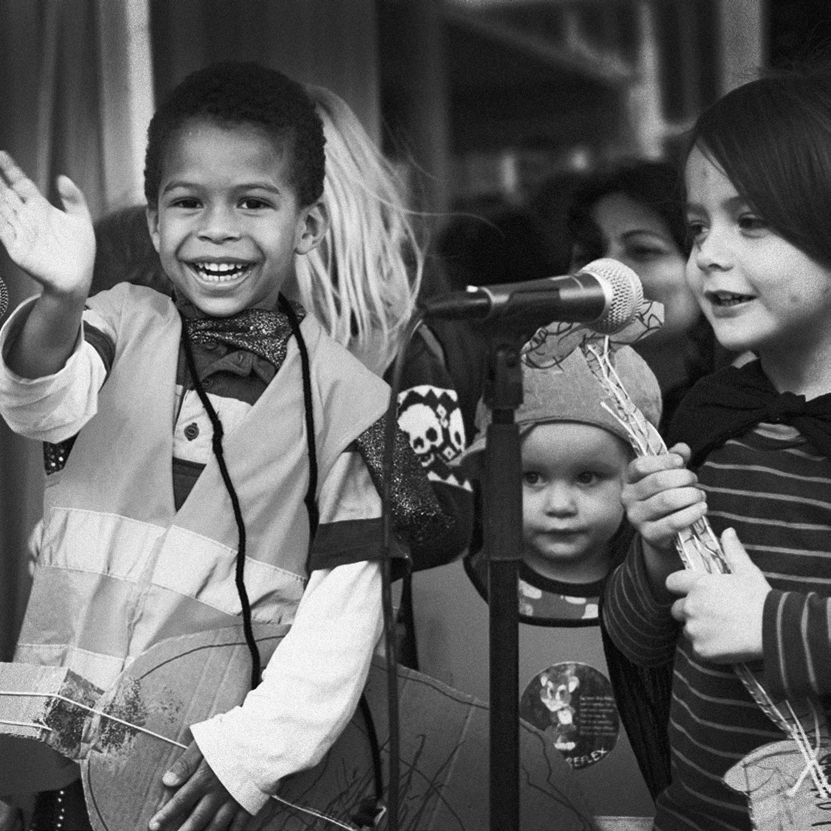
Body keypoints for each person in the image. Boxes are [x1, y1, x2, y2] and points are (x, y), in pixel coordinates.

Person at [0, 62, 449, 830]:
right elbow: (40, 399)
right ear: (152, 223)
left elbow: (344, 618)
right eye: (188, 201)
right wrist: (62, 299)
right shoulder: (115, 318)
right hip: (54, 750)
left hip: (205, 772)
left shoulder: (355, 405)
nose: (216, 227)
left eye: (252, 201)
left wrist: (251, 753)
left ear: (306, 225)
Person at [602, 65, 831, 830]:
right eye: (698, 226)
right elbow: (638, 642)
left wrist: (771, 624)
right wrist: (659, 552)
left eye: (751, 221)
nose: (707, 254)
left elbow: (751, 623)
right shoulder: (708, 415)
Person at [411, 338, 665, 818]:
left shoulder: (671, 608)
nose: (560, 505)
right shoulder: (424, 602)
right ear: (487, 476)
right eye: (531, 478)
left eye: (588, 477)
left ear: (638, 475)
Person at [567, 159, 720, 429]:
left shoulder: (742, 406)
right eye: (589, 255)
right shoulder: (556, 401)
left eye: (642, 250)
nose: (605, 271)